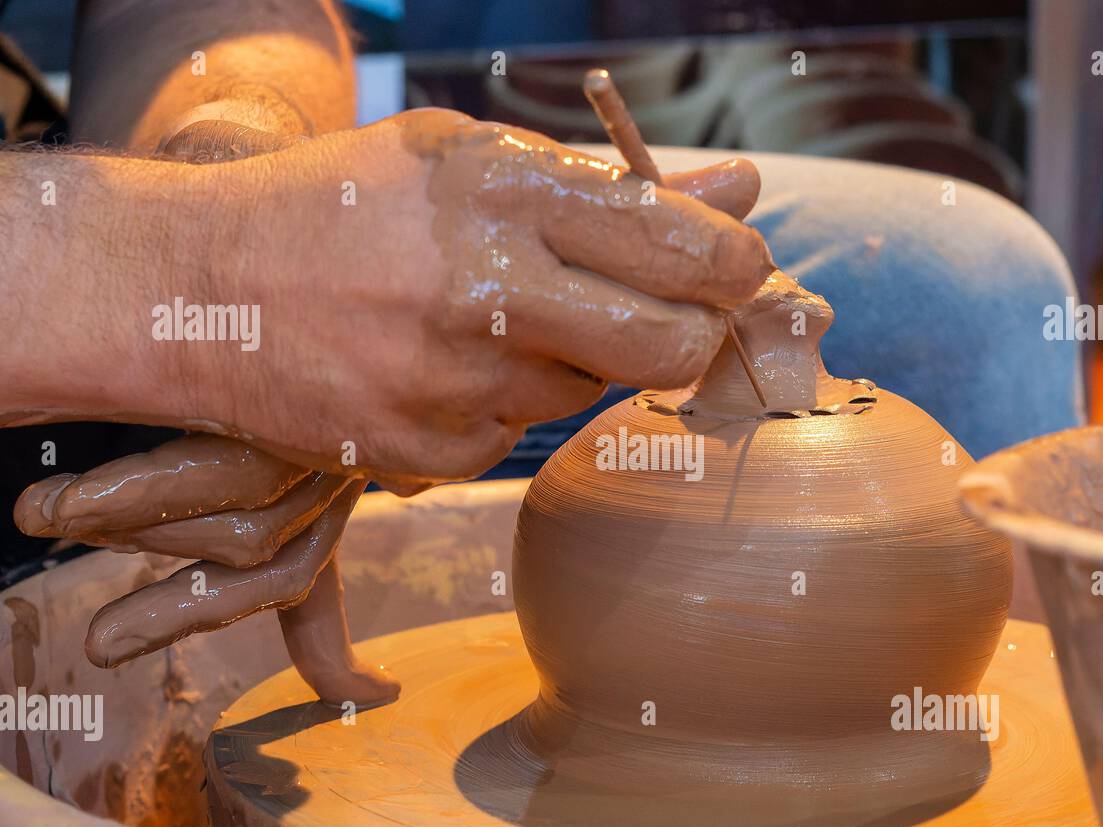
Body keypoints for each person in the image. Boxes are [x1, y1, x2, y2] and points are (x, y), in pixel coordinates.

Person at [0, 0, 772, 580]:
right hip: (68, 298)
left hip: (87, 200)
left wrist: (240, 159)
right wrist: (195, 264)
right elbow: (184, 264)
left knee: (882, 268)